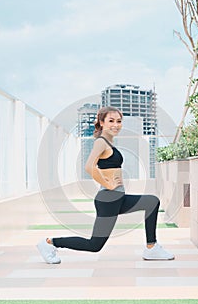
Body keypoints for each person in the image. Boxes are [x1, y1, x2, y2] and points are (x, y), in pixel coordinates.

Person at [37, 106, 174, 264]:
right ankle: (50, 243)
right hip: (109, 199)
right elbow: (89, 166)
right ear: (101, 123)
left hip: (117, 198)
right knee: (94, 245)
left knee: (152, 201)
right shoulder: (101, 142)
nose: (116, 125)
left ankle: (151, 247)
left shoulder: (108, 142)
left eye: (119, 121)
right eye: (111, 121)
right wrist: (108, 184)